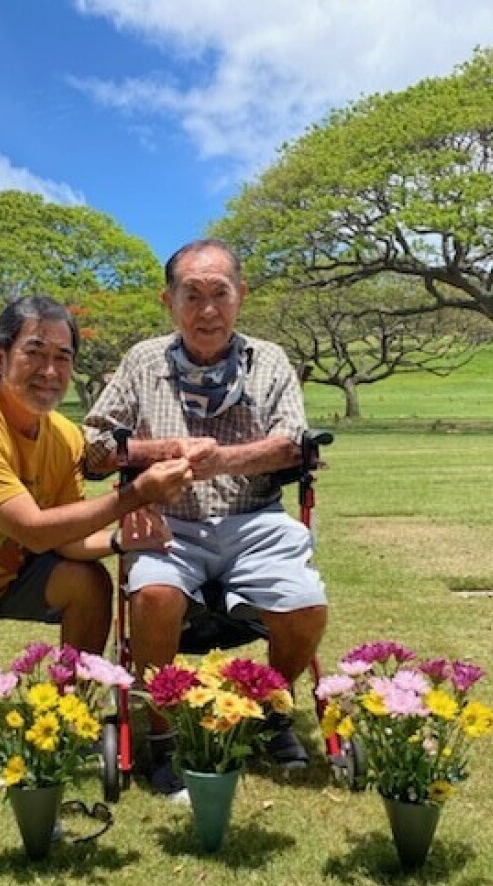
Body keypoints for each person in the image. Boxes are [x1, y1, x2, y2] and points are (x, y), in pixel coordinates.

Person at [0, 294, 192, 755]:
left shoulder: (64, 436)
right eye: (35, 353)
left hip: (9, 574)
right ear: (1, 357)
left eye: (62, 358)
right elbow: (34, 529)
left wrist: (116, 540)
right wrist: (136, 495)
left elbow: (66, 538)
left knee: (86, 581)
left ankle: (69, 710)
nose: (50, 371)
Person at [83, 240, 328, 797]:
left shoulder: (268, 360)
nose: (207, 310)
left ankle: (270, 708)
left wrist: (223, 459)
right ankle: (164, 734)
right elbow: (94, 445)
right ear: (169, 301)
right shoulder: (143, 360)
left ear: (242, 296)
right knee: (153, 595)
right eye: (192, 295)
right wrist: (166, 451)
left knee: (307, 603)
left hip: (254, 517)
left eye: (220, 293)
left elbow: (294, 442)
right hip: (169, 522)